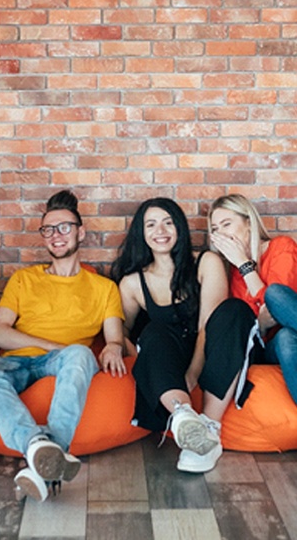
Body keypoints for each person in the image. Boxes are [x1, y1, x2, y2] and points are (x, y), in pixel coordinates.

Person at [0, 190, 126, 502]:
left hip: (67, 363)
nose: (56, 236)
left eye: (64, 228)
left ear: (81, 232)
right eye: (48, 230)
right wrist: (52, 345)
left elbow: (114, 338)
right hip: (18, 362)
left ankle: (39, 456)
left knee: (81, 353)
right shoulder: (24, 279)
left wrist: (115, 345)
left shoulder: (104, 288)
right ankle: (41, 449)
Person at [111, 197, 250, 474]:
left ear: (180, 228)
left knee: (235, 310)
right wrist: (136, 355)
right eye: (151, 224)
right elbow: (123, 329)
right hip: (167, 356)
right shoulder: (132, 283)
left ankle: (209, 431)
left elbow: (208, 325)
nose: (160, 231)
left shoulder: (206, 262)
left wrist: (193, 373)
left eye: (168, 222)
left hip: (213, 349)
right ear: (142, 233)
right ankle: (183, 416)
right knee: (153, 332)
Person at [209, 194, 297, 404]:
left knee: (284, 331)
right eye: (214, 229)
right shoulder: (226, 271)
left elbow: (278, 305)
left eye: (226, 224)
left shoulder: (281, 247)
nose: (220, 233)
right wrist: (261, 324)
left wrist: (245, 265)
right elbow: (253, 323)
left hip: (290, 333)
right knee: (280, 334)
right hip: (264, 347)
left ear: (248, 222)